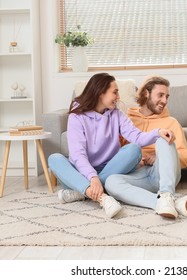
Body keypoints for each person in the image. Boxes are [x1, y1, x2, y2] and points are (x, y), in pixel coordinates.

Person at [48, 73, 175, 218]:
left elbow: (136, 137)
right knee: (54, 159)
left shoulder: (117, 114)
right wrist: (92, 177)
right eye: (115, 92)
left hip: (109, 171)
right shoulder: (76, 116)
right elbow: (78, 155)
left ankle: (82, 191)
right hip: (82, 173)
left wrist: (158, 132)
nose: (118, 96)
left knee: (133, 149)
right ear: (101, 92)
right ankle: (96, 191)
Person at [105, 76, 187, 219]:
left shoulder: (171, 122)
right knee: (111, 182)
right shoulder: (128, 120)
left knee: (162, 138)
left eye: (167, 97)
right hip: (139, 175)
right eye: (160, 95)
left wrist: (159, 157)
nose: (164, 101)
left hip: (163, 174)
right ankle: (166, 203)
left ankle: (166, 193)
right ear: (146, 93)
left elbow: (184, 157)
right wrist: (135, 161)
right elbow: (118, 152)